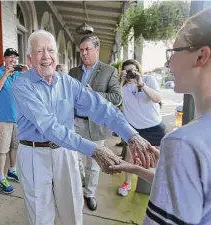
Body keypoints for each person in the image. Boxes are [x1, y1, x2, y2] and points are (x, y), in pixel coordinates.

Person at [12, 29, 157, 225]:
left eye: (51, 50)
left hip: (65, 151)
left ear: (56, 55)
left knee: (72, 206)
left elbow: (100, 106)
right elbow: (48, 126)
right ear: (30, 59)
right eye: (39, 51)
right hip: (34, 153)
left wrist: (131, 135)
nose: (46, 57)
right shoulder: (22, 85)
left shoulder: (68, 82)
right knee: (40, 214)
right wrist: (94, 149)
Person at [110, 8, 211, 225]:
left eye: (174, 51)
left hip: (154, 129)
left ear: (202, 56)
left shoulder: (186, 143)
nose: (168, 63)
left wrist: (140, 83)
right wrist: (137, 169)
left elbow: (156, 99)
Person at [68, 35, 122, 210]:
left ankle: (89, 194)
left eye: (87, 49)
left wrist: (95, 95)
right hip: (75, 122)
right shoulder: (73, 72)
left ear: (97, 50)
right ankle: (79, 185)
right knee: (74, 159)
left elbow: (117, 98)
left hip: (96, 125)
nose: (83, 53)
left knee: (94, 162)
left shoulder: (109, 71)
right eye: (81, 49)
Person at [117, 59, 166, 197]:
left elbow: (157, 98)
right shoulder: (123, 87)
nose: (131, 74)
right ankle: (127, 183)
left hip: (154, 126)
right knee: (130, 158)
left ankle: (159, 187)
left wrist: (141, 84)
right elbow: (117, 103)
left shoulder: (148, 79)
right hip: (135, 130)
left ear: (138, 69)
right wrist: (120, 82)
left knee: (158, 159)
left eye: (133, 70)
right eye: (127, 71)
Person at [0, 48, 29, 194]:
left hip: (18, 117)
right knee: (2, 149)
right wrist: (5, 75)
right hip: (3, 118)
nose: (13, 60)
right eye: (10, 57)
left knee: (15, 146)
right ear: (4, 59)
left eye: (15, 57)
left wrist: (28, 73)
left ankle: (12, 170)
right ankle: (0, 177)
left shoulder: (19, 74)